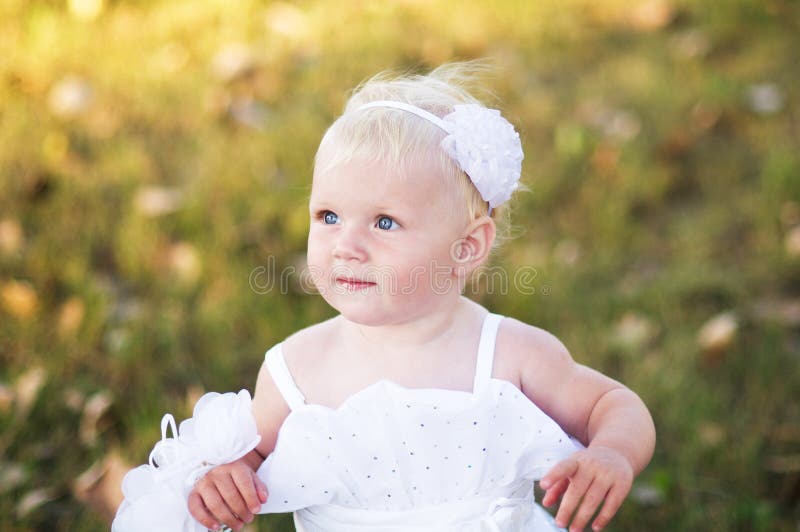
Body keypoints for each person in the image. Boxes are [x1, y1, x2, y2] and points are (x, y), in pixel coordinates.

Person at [112, 62, 655, 532]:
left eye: (385, 222)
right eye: (328, 216)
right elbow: (254, 455)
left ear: (466, 248)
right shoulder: (296, 370)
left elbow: (614, 405)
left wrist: (611, 453)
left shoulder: (510, 354)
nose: (346, 245)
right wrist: (228, 477)